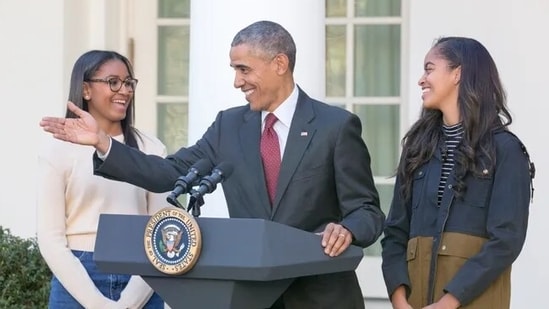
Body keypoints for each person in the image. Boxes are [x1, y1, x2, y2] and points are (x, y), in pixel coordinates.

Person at [39, 20, 385, 308]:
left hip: (321, 297)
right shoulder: (229, 126)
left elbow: (367, 211)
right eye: (235, 69)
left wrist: (349, 229)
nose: (237, 81)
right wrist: (103, 142)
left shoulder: (335, 127)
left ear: (279, 64)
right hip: (252, 298)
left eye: (244, 69)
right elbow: (167, 173)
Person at [381, 37, 535, 309]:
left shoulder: (506, 151)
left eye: (429, 69)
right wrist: (399, 298)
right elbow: (395, 233)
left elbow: (506, 241)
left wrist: (448, 302)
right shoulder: (417, 149)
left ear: (458, 73)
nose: (421, 79)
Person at [37, 50, 169, 308]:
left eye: (128, 83)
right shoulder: (57, 150)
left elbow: (164, 233)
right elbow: (51, 239)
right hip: (77, 278)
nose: (124, 90)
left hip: (142, 274)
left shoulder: (152, 149)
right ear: (86, 90)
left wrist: (129, 302)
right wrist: (97, 304)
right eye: (113, 82)